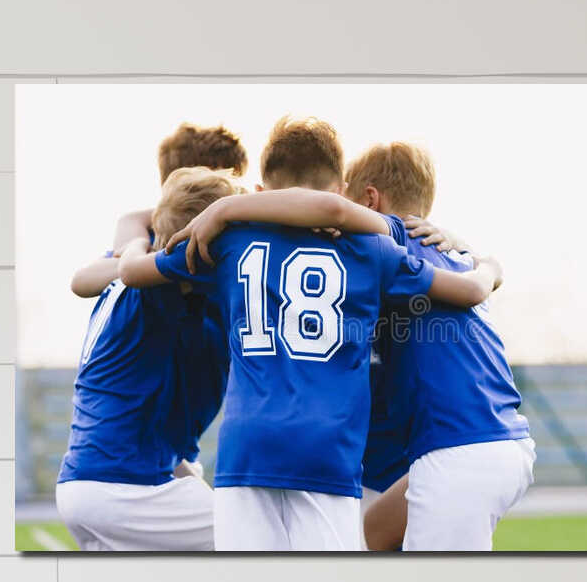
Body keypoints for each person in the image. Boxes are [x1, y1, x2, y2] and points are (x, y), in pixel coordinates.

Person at [118, 116, 498, 552]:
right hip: (326, 453)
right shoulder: (374, 249)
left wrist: (163, 233)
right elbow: (468, 289)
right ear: (341, 191)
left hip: (246, 449)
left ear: (260, 193)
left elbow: (132, 272)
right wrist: (488, 264)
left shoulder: (227, 244)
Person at [343, 140, 535, 552]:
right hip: (499, 442)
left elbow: (331, 217)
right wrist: (489, 264)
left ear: (369, 200)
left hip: (463, 451)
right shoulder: (454, 255)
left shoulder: (387, 242)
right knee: (369, 535)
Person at [53, 166, 240, 551]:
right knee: (259, 535)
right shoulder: (164, 280)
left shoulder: (128, 278)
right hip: (123, 488)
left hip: (89, 481)